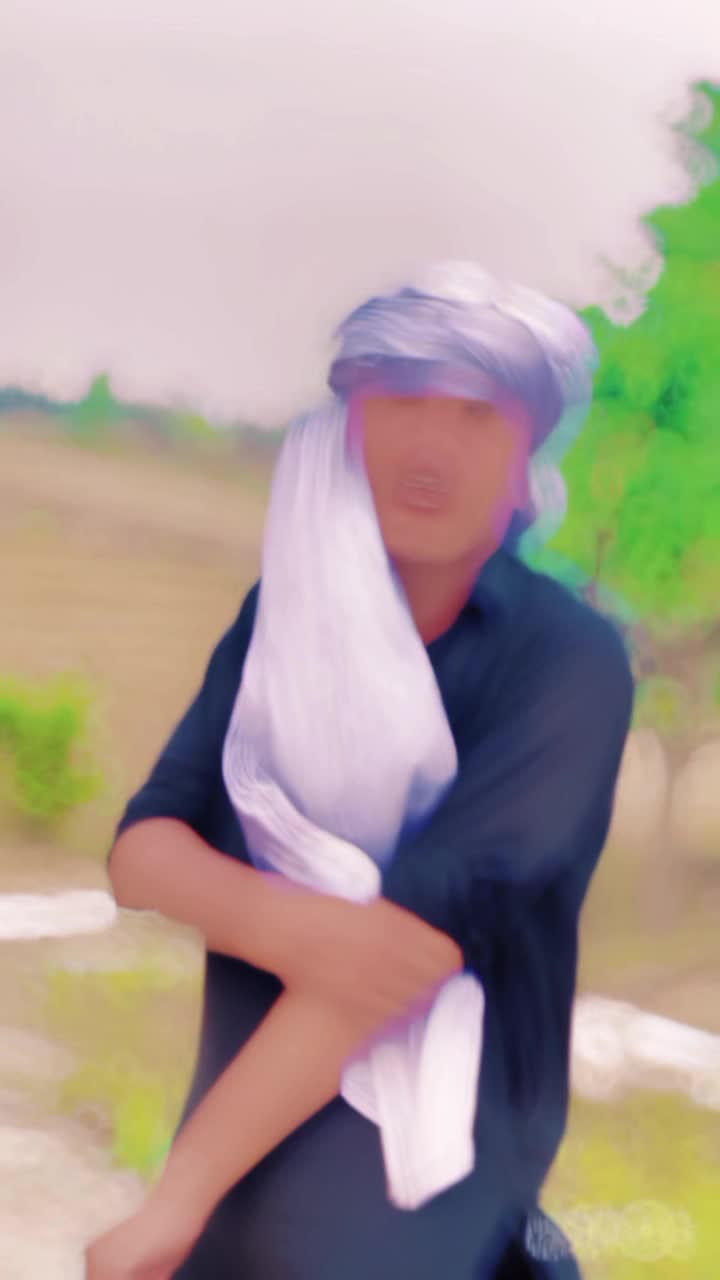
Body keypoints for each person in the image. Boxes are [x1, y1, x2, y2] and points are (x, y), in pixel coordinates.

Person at [89, 262, 635, 1280]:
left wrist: (176, 1195)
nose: (430, 445)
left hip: (423, 1203)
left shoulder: (566, 661)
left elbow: (401, 958)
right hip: (242, 1164)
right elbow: (143, 848)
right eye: (400, 400)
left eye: (476, 413)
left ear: (528, 458)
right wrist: (292, 924)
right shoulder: (285, 622)